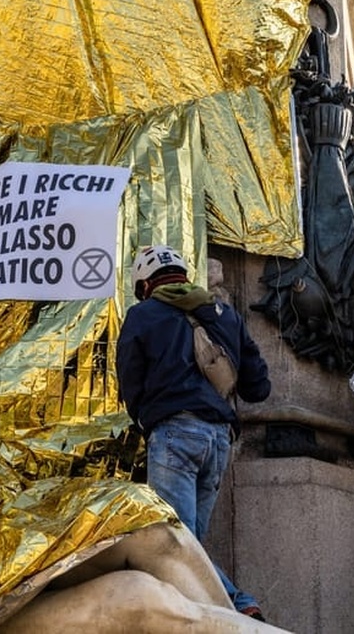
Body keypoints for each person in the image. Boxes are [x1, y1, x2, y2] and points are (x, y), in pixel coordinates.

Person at [115, 245, 273, 620]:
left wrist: (146, 417)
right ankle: (217, 617)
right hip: (219, 441)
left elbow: (130, 381)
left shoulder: (143, 315)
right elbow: (259, 387)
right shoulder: (226, 315)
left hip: (174, 434)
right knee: (190, 545)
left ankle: (236, 602)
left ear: (145, 283)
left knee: (174, 545)